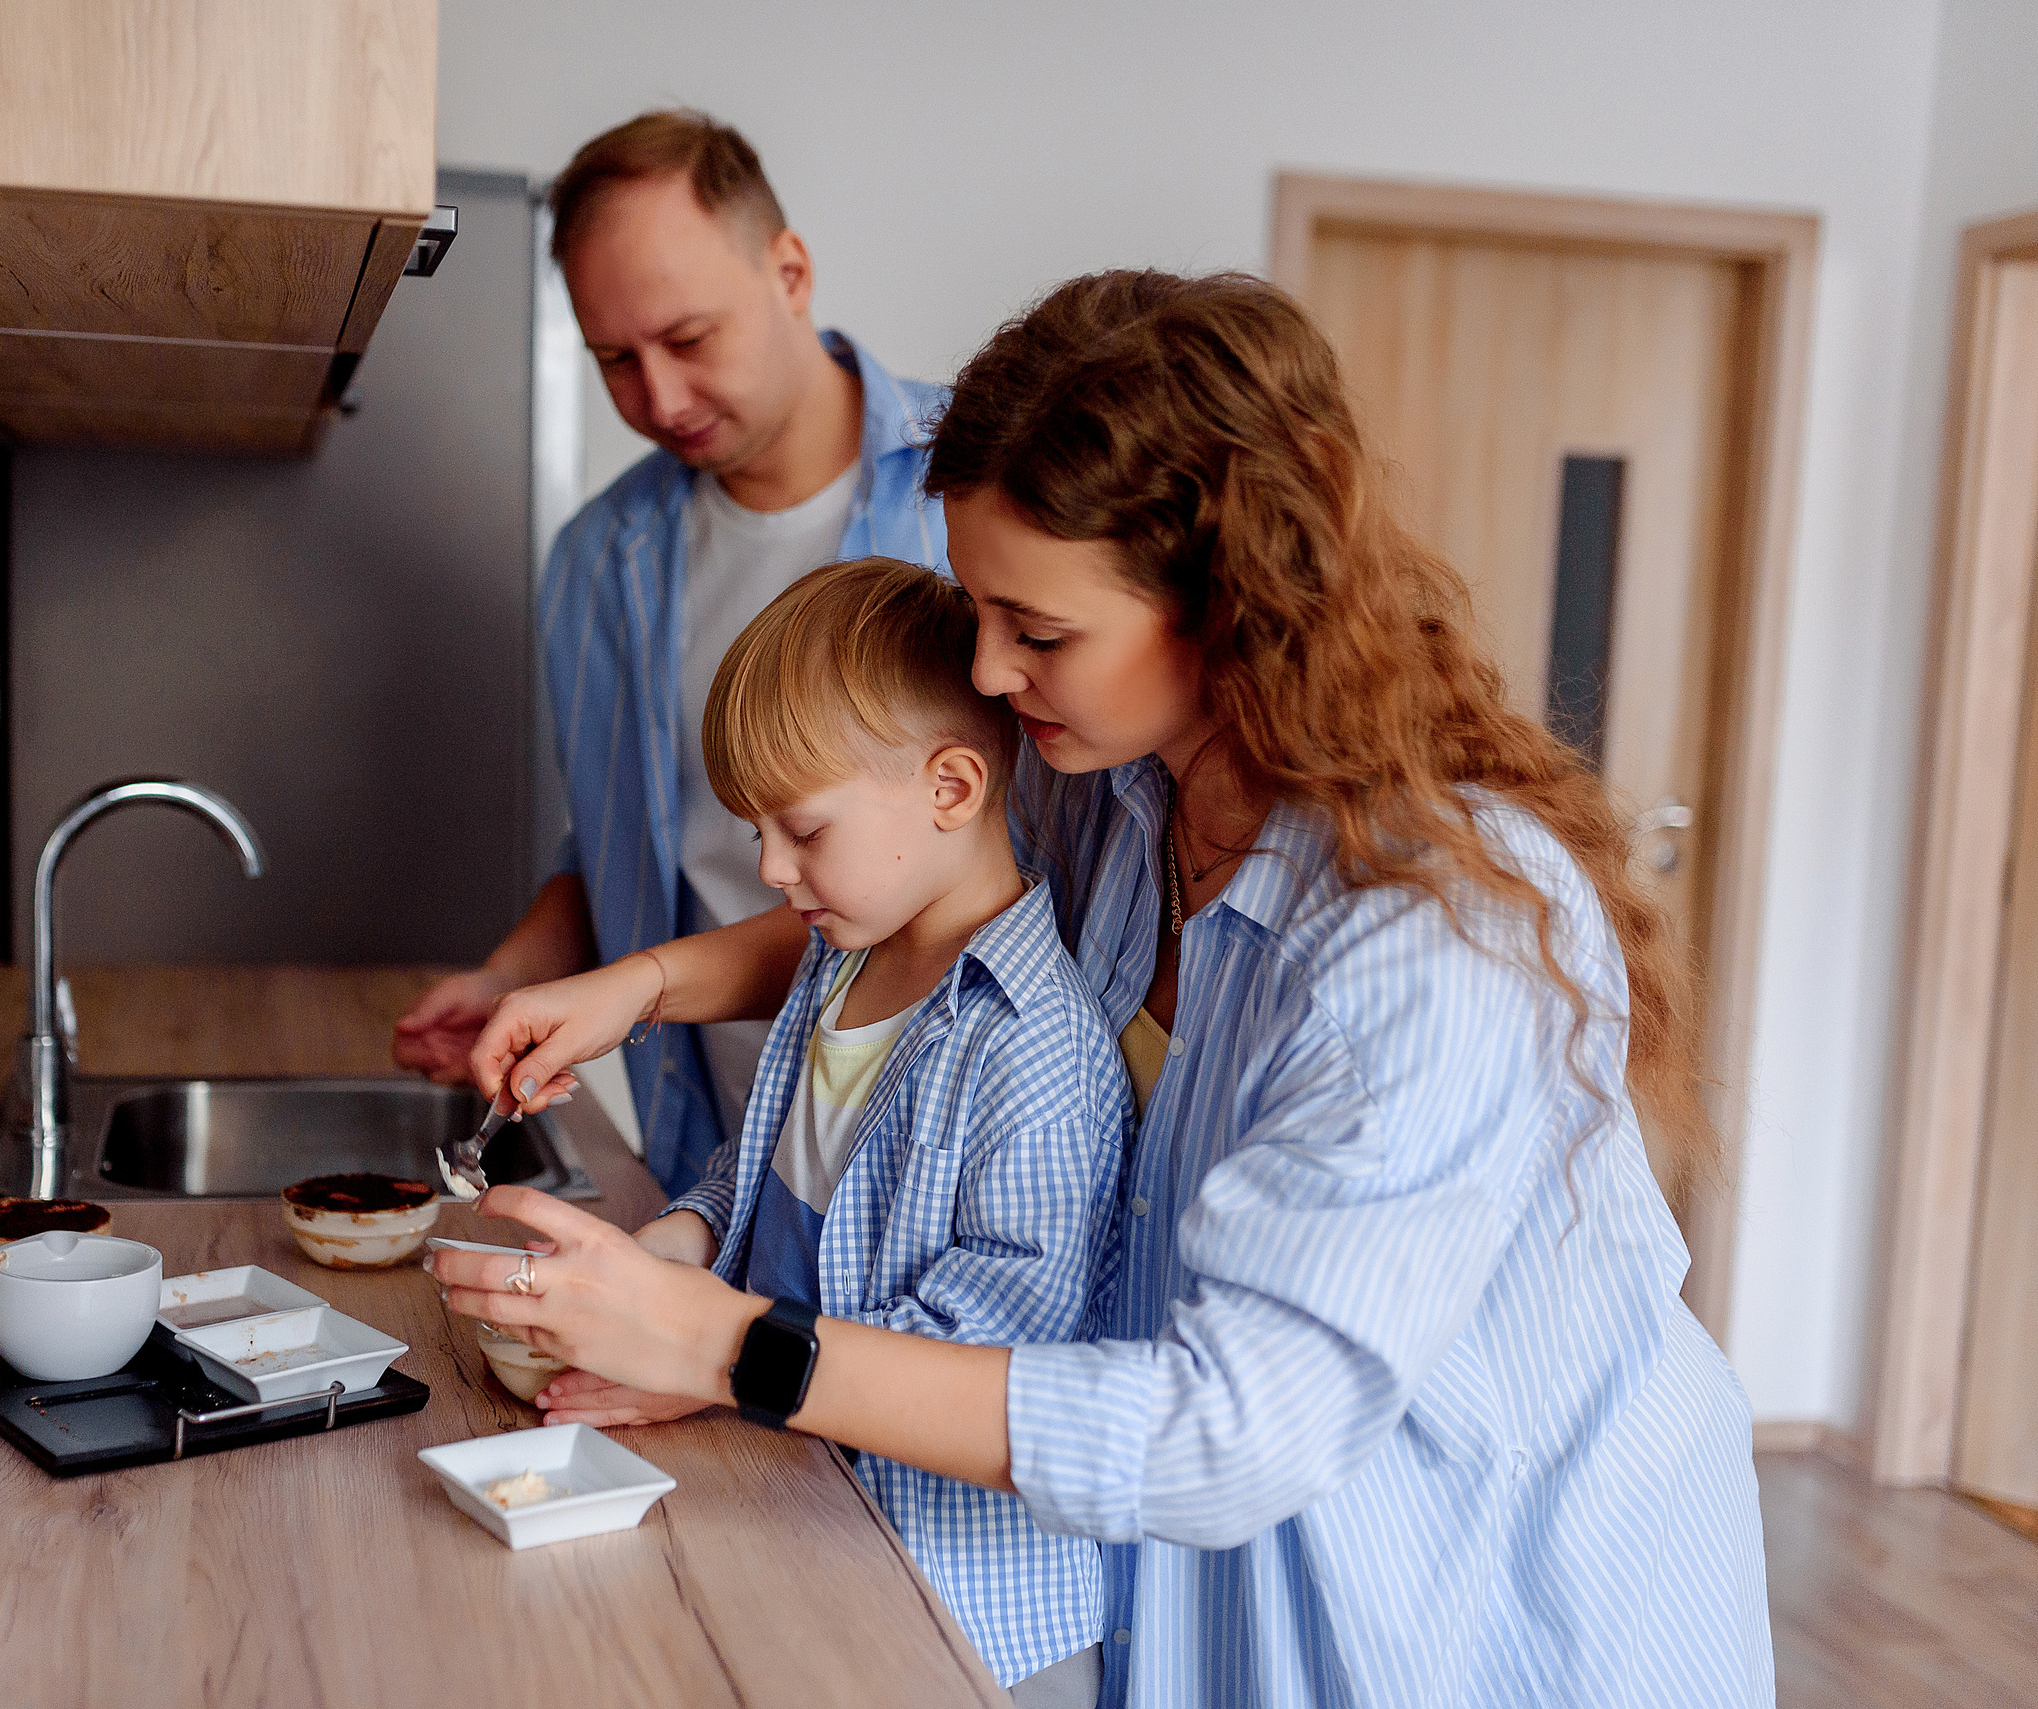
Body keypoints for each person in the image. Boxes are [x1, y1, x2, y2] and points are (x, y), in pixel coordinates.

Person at [430, 272, 1775, 1706]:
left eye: (1040, 630)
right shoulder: (1114, 794)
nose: (991, 670)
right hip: (1208, 1585)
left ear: (1228, 604)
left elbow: (1230, 1428)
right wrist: (635, 992)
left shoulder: (1435, 938)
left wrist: (729, 1345)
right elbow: (897, 924)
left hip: (1488, 1607)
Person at [390, 110, 948, 1196]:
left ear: (789, 271)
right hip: (715, 1152)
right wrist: (514, 976)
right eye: (615, 361)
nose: (661, 399)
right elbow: (620, 845)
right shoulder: (599, 561)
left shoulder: (972, 488)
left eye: (690, 339)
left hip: (938, 1155)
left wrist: (637, 985)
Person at [598, 556, 1125, 1702]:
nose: (770, 871)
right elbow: (764, 1167)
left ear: (950, 787)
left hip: (970, 1617)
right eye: (756, 831)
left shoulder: (1033, 1045)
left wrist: (713, 1356)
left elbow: (989, 1358)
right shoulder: (838, 966)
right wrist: (677, 1249)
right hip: (819, 1523)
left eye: (801, 828)